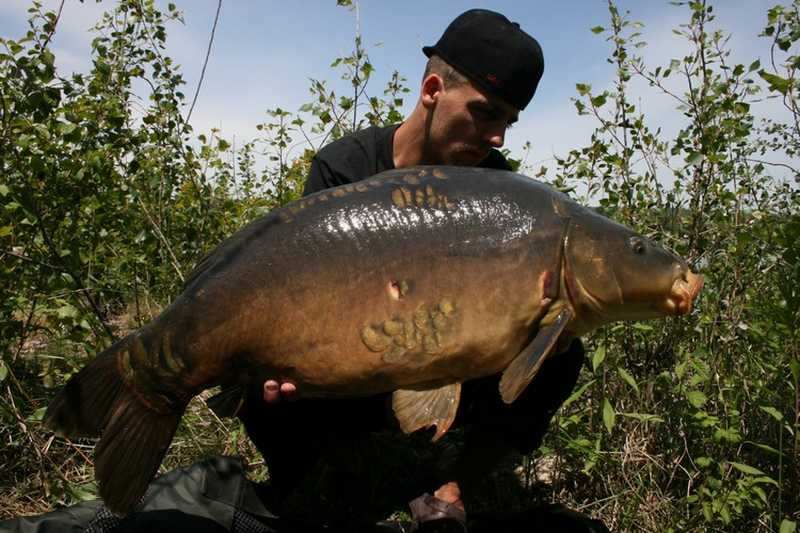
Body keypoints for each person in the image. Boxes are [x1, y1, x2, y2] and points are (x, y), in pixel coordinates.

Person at [242, 9, 607, 533]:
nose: (497, 137)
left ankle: (451, 485)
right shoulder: (345, 168)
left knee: (561, 355)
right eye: (486, 113)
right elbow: (308, 290)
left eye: (508, 122)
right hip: (359, 361)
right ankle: (319, 485)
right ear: (433, 89)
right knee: (264, 386)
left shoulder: (497, 188)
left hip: (452, 358)